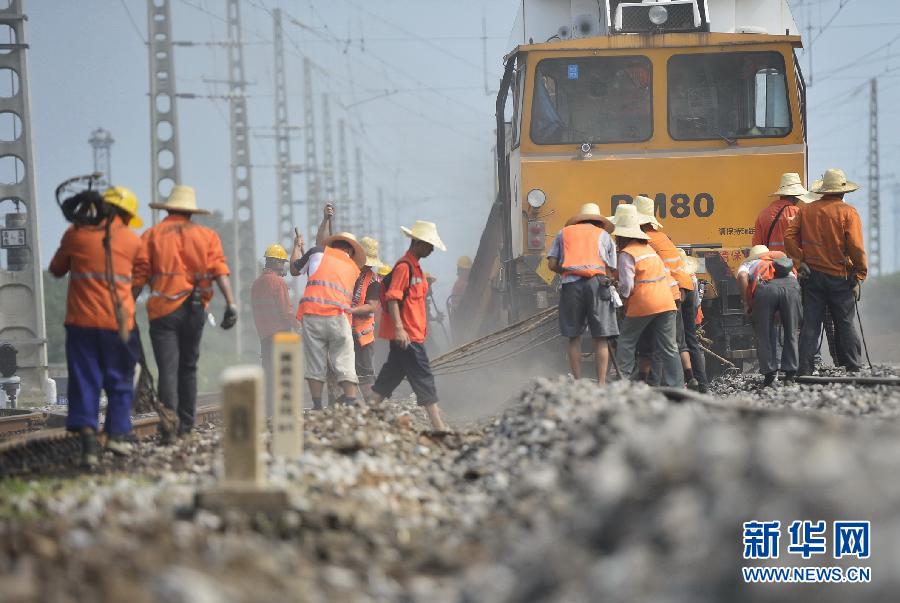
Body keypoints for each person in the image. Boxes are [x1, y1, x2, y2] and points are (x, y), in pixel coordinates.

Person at [49, 186, 149, 467]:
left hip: (81, 324)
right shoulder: (132, 240)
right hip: (119, 324)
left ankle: (89, 440)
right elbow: (142, 272)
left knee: (85, 379)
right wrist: (128, 296)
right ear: (126, 216)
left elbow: (56, 269)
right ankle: (117, 434)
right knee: (120, 379)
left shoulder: (75, 234)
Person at [135, 185, 237, 443]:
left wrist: (126, 306)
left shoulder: (151, 235)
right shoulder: (207, 236)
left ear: (168, 208)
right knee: (188, 367)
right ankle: (187, 428)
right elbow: (219, 271)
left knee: (167, 369)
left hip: (162, 313)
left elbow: (139, 277)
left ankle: (169, 429)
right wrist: (231, 303)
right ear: (191, 212)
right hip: (194, 309)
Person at [785, 168, 868, 375]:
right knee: (845, 322)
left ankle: (804, 369)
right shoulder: (848, 212)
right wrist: (859, 275)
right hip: (840, 276)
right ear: (843, 192)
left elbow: (789, 236)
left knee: (811, 324)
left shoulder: (806, 210)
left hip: (812, 276)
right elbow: (856, 247)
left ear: (823, 191)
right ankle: (853, 365)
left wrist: (799, 261)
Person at [370, 220, 449, 431]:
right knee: (423, 376)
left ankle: (365, 415)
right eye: (429, 244)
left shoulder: (417, 269)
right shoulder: (404, 267)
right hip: (408, 335)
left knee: (389, 376)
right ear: (418, 243)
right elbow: (393, 297)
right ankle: (439, 426)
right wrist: (399, 328)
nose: (431, 249)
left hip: (410, 334)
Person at [290, 228, 365, 409]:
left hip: (312, 314)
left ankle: (317, 405)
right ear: (350, 251)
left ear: (332, 245)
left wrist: (296, 248)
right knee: (345, 359)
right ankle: (350, 400)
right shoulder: (355, 270)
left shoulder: (317, 252)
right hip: (339, 318)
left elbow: (294, 269)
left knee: (315, 362)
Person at [632, 195, 701, 389]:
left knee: (658, 338)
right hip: (684, 287)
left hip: (669, 291)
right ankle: (694, 380)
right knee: (683, 340)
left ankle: (655, 382)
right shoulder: (661, 237)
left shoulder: (644, 241)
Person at [611, 204, 682, 387]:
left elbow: (626, 286)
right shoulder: (648, 249)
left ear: (622, 235)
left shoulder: (627, 254)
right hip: (666, 303)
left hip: (643, 303)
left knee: (626, 341)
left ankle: (622, 380)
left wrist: (620, 300)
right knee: (669, 347)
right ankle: (677, 386)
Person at [547, 202, 618, 383]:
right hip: (597, 284)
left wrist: (569, 272)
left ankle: (578, 382)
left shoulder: (563, 233)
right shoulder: (604, 235)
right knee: (601, 337)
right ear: (599, 222)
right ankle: (601, 383)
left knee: (574, 336)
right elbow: (612, 268)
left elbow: (552, 265)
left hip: (571, 285)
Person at [736, 246, 800, 387]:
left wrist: (747, 304)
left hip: (766, 289)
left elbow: (742, 277)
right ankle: (790, 375)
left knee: (763, 334)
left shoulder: (749, 263)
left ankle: (770, 375)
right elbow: (794, 280)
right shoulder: (782, 261)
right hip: (792, 287)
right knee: (791, 332)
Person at [250, 243, 296, 416]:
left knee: (268, 372)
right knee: (283, 372)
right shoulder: (278, 282)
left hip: (264, 335)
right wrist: (299, 325)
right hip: (281, 334)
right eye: (282, 263)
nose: (284, 266)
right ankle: (283, 409)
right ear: (276, 262)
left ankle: (269, 409)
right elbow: (286, 311)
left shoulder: (256, 284)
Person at [752, 173, 819, 253]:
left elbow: (756, 246)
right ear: (796, 196)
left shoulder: (763, 214)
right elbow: (808, 243)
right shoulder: (798, 213)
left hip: (769, 263)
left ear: (781, 195)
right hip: (792, 263)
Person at [351, 237, 383, 402]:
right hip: (345, 329)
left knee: (365, 373)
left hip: (362, 334)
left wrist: (350, 310)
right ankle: (347, 406)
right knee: (346, 371)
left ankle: (373, 407)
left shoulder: (374, 281)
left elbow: (371, 306)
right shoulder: (350, 272)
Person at [678, 248, 709, 393]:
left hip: (676, 307)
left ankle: (681, 381)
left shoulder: (674, 275)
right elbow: (697, 303)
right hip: (691, 311)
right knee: (692, 343)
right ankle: (702, 384)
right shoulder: (692, 277)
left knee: (676, 344)